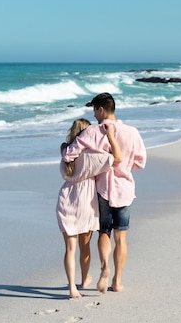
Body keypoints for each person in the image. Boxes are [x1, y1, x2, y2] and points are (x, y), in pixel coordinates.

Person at [63, 93, 146, 293]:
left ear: (100, 110)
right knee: (121, 236)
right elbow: (140, 163)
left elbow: (69, 154)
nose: (94, 115)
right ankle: (117, 281)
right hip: (125, 189)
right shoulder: (132, 132)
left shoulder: (92, 131)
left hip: (102, 190)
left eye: (94, 111)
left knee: (104, 233)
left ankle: (104, 267)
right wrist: (124, 167)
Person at [56, 118, 122, 299]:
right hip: (86, 202)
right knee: (85, 248)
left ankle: (72, 288)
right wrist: (109, 136)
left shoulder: (64, 151)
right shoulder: (92, 157)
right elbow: (116, 158)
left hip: (66, 199)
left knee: (70, 248)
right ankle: (84, 280)